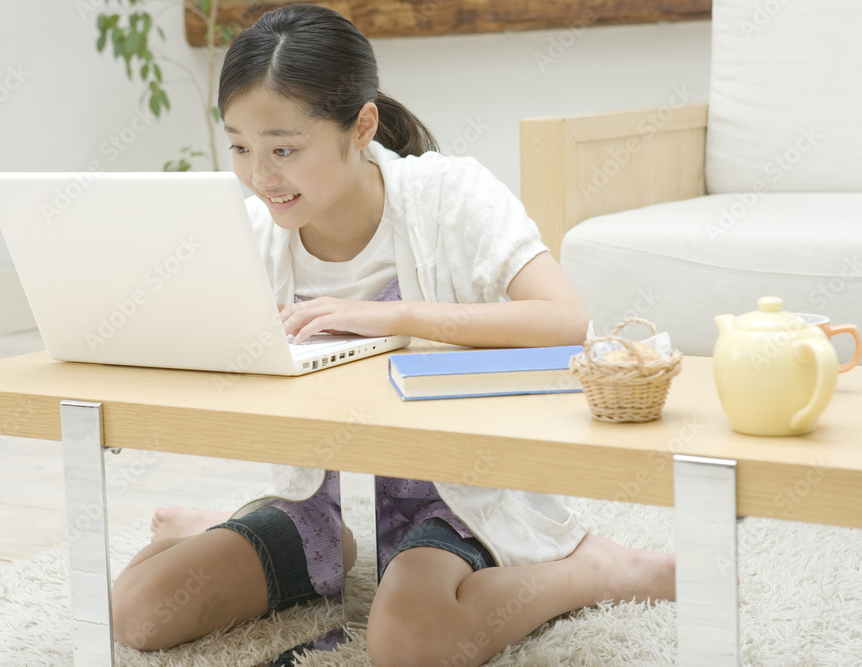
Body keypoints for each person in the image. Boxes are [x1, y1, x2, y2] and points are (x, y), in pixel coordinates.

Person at [111, 5, 675, 665]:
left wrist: (398, 316)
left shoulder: (450, 196)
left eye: (284, 149)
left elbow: (567, 322)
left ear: (361, 127)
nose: (260, 176)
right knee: (136, 611)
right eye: (240, 147)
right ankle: (241, 529)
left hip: (456, 496)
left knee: (409, 643)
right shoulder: (254, 234)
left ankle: (597, 569)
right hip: (315, 501)